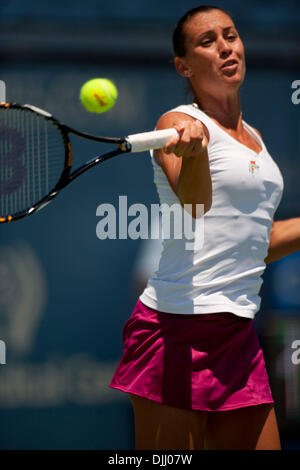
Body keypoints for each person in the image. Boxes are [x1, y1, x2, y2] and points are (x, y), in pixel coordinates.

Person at [109, 6, 300, 450]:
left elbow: (257, 243)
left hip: (238, 335)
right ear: (184, 66)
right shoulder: (175, 124)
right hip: (175, 332)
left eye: (230, 35)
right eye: (207, 41)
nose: (225, 47)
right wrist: (194, 154)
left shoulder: (254, 137)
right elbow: (193, 205)